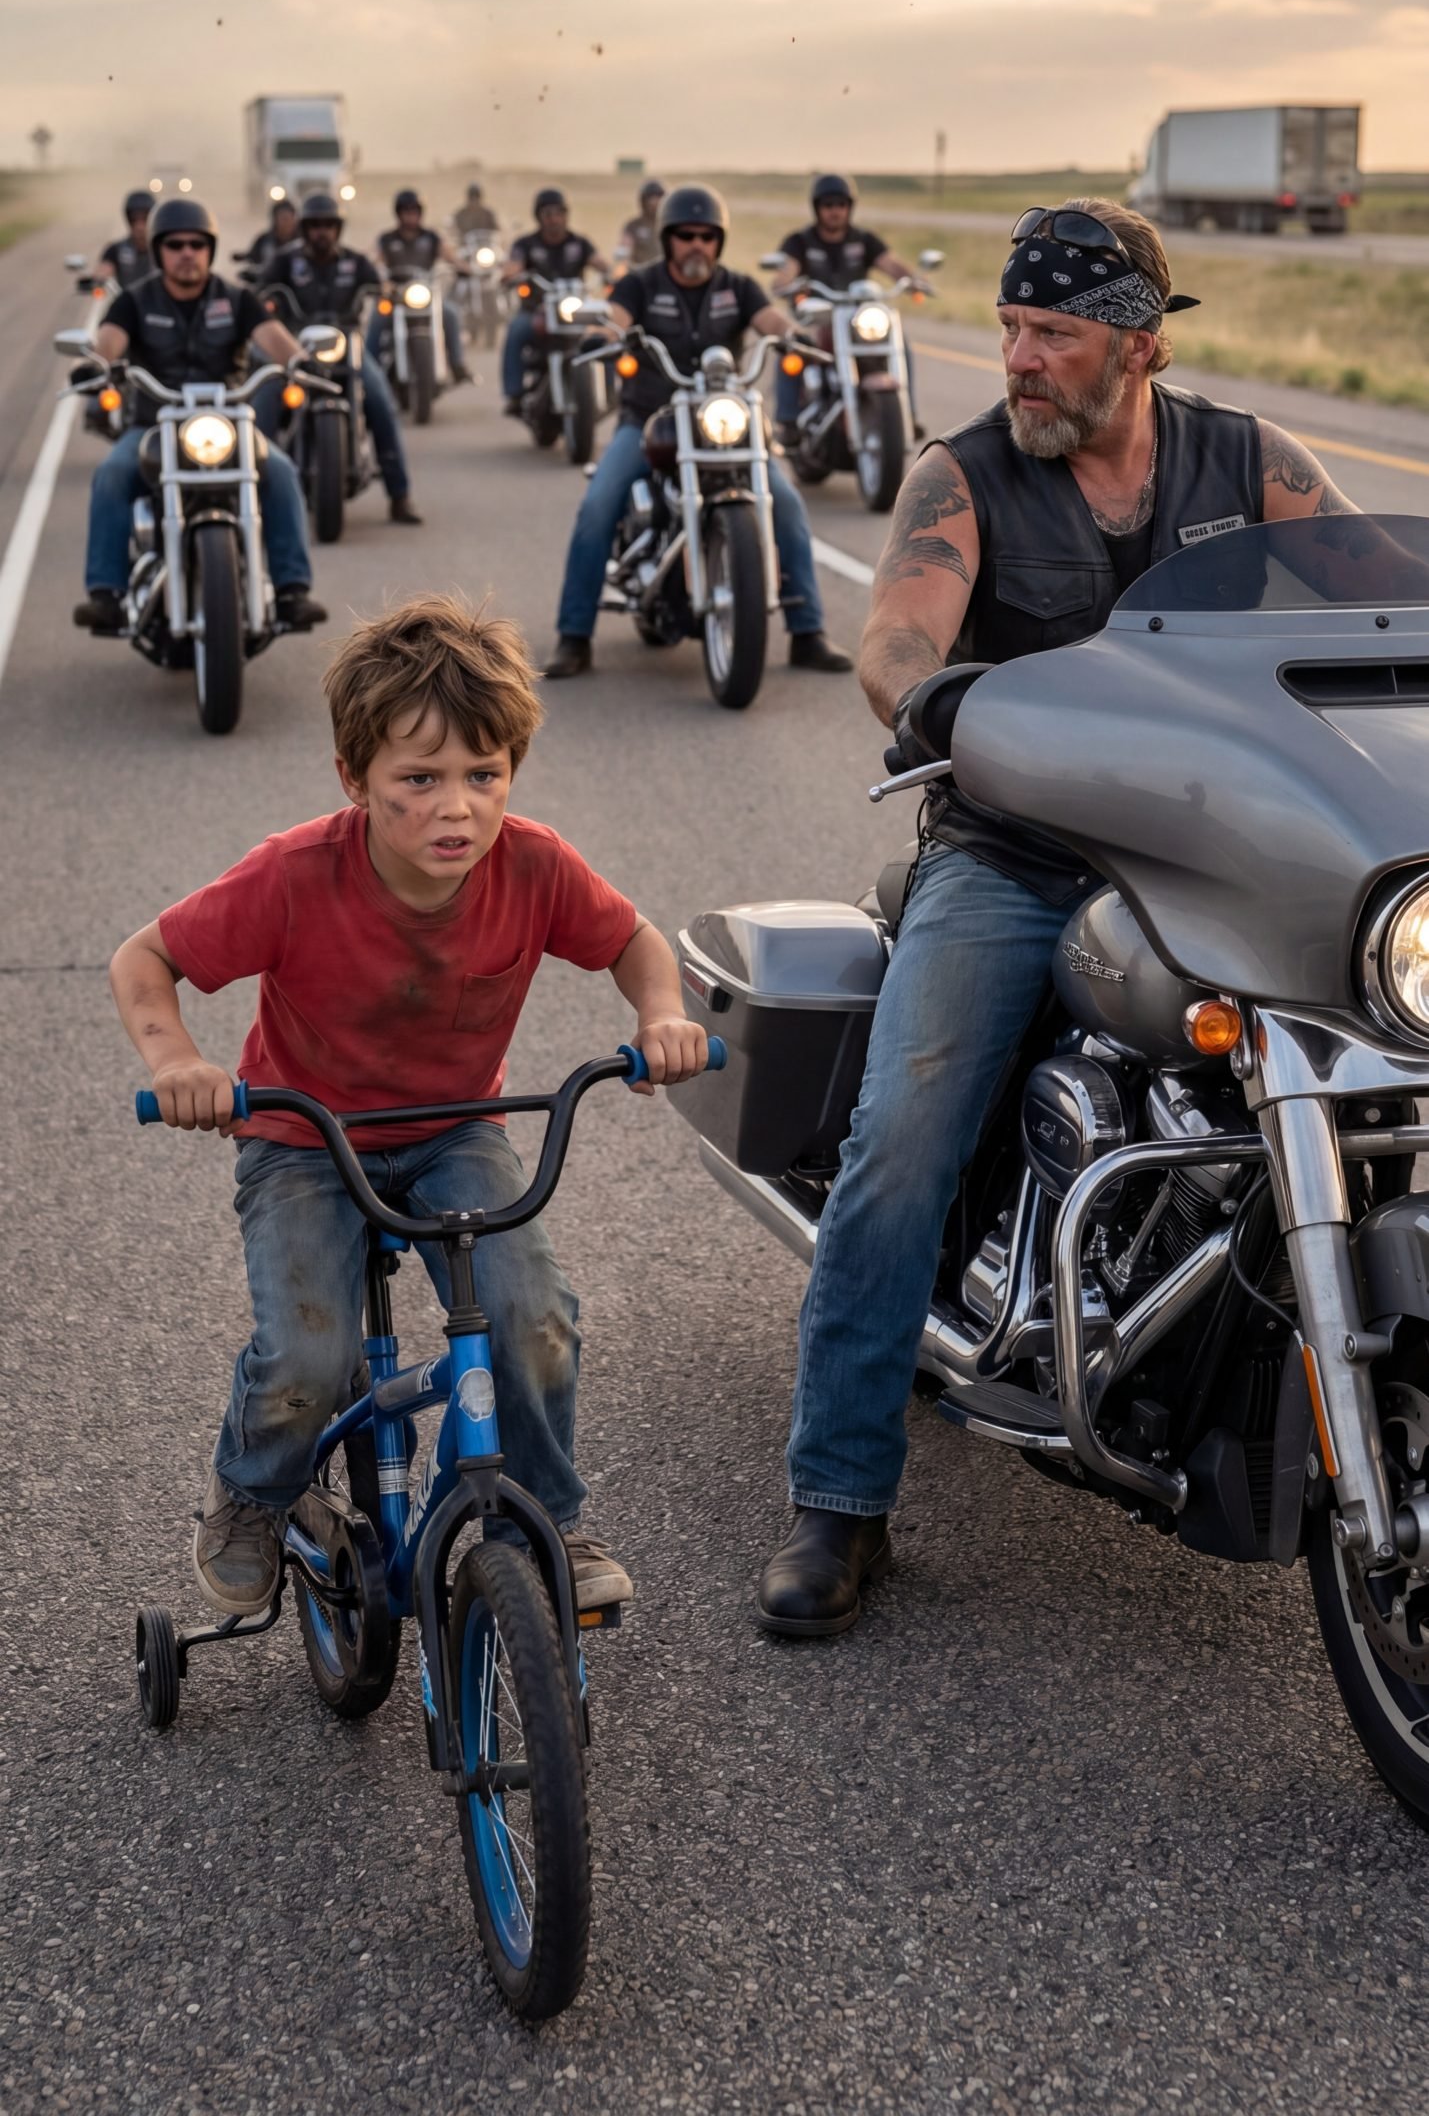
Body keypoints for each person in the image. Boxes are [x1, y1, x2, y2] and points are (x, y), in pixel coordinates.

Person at [757, 195, 1360, 1637]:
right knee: (898, 1146)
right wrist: (937, 697)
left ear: (1136, 346)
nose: (1018, 358)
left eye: (1053, 333)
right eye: (1013, 328)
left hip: (1220, 856)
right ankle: (838, 1504)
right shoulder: (964, 476)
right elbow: (896, 636)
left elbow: (1377, 594)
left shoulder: (1246, 460)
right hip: (1016, 854)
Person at [108, 593, 711, 1618]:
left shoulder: (533, 863)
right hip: (306, 1134)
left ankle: (542, 1515)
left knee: (534, 1321)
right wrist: (179, 1064)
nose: (458, 808)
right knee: (308, 1352)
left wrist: (662, 1015)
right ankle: (254, 1492)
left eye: (484, 776)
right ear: (355, 780)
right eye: (418, 780)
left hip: (451, 1130)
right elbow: (146, 959)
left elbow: (634, 942)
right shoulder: (296, 874)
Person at [544, 183, 853, 679]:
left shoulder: (737, 286)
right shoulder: (640, 286)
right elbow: (616, 319)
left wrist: (792, 334)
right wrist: (603, 334)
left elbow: (770, 318)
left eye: (707, 237)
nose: (696, 246)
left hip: (723, 424)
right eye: (685, 235)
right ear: (668, 239)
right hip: (650, 421)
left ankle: (807, 632)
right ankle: (574, 636)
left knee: (787, 503)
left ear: (719, 241)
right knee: (598, 504)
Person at [74, 196, 325, 637]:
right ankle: (105, 594)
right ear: (159, 251)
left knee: (281, 472)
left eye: (196, 244)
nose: (187, 253)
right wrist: (94, 365)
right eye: (175, 245)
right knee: (112, 473)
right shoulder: (133, 302)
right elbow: (108, 342)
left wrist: (302, 361)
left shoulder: (237, 298)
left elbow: (274, 337)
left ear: (210, 249)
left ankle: (291, 590)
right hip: (154, 426)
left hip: (226, 424)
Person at [269, 192, 422, 524]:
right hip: (297, 348)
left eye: (329, 225)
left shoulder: (355, 262)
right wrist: (259, 295)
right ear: (305, 229)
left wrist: (389, 292)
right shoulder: (285, 262)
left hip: (347, 347)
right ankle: (256, 491)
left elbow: (380, 286)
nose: (322, 232)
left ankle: (400, 496)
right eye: (315, 226)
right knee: (263, 403)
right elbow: (262, 289)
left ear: (338, 229)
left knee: (381, 402)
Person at [770, 172, 928, 434]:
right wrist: (785, 283)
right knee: (791, 346)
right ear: (817, 208)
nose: (835, 211)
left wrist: (913, 280)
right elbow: (786, 271)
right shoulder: (800, 242)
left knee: (901, 342)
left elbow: (890, 263)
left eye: (841, 204)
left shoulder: (863, 240)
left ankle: (907, 413)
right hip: (816, 317)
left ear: (849, 207)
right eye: (828, 205)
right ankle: (787, 419)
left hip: (856, 319)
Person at [500, 188, 613, 416]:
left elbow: (601, 263)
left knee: (606, 336)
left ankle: (610, 393)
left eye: (558, 213)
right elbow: (514, 265)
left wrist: (614, 274)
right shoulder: (526, 244)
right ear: (539, 217)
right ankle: (513, 393)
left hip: (575, 311)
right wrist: (510, 274)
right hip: (536, 311)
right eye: (548, 214)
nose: (553, 219)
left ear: (566, 215)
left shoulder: (579, 243)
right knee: (516, 330)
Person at [373, 189, 471, 384]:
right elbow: (373, 260)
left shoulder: (431, 237)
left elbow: (451, 257)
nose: (410, 215)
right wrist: (377, 277)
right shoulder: (387, 239)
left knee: (450, 314)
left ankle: (457, 364)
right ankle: (368, 369)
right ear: (398, 213)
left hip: (425, 294)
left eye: (414, 210)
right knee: (376, 320)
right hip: (395, 297)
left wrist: (466, 268)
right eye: (406, 211)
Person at [99, 190, 154, 291]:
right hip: (127, 303)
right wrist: (97, 279)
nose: (140, 226)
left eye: (145, 219)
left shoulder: (165, 249)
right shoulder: (115, 250)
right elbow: (104, 270)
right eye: (135, 219)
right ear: (128, 220)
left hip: (160, 304)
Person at [236, 197, 299, 281]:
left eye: (289, 218)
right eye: (283, 218)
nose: (286, 222)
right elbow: (254, 256)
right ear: (275, 220)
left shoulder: (302, 242)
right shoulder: (265, 240)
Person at [614, 178, 665, 270]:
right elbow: (626, 245)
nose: (655, 202)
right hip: (642, 275)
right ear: (643, 201)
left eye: (658, 197)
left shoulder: (668, 224)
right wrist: (623, 253)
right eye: (650, 198)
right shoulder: (634, 225)